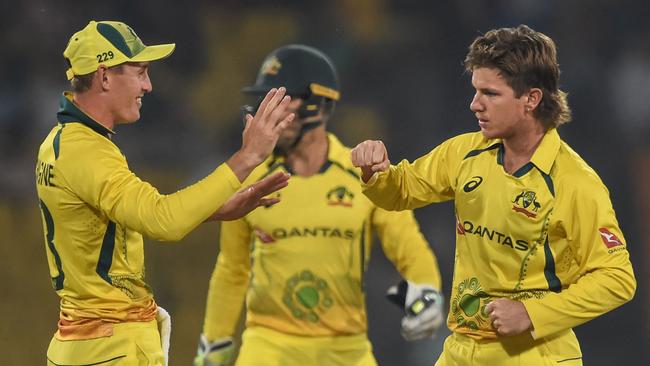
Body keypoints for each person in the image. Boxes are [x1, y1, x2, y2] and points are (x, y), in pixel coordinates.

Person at [350, 25, 637, 365]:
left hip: (533, 354)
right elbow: (400, 191)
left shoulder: (574, 183)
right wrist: (376, 172)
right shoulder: (465, 153)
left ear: (532, 98)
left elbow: (618, 279)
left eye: (491, 93)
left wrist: (532, 313)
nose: (475, 105)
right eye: (475, 91)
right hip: (462, 349)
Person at [36, 20, 295, 366]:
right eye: (140, 72)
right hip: (111, 349)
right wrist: (248, 157)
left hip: (81, 345)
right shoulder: (89, 153)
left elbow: (126, 218)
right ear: (105, 76)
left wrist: (215, 208)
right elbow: (163, 221)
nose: (149, 85)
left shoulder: (58, 143)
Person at [193, 44, 444, 366]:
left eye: (280, 99)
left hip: (346, 348)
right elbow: (232, 267)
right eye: (265, 100)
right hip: (268, 345)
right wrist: (214, 342)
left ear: (320, 105)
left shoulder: (362, 174)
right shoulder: (250, 179)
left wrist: (426, 289)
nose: (267, 111)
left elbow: (407, 244)